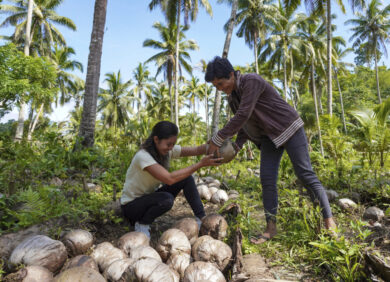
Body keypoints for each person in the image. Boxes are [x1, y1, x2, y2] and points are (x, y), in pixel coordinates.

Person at [204, 56, 337, 244]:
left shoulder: (251, 81)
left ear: (231, 74)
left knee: (305, 174)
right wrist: (237, 145)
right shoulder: (232, 99)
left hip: (288, 128)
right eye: (216, 86)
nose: (220, 88)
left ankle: (329, 222)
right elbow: (245, 126)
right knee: (267, 179)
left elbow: (244, 114)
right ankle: (270, 228)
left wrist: (218, 139)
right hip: (269, 137)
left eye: (221, 83)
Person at [120, 121, 222, 238]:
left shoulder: (165, 151)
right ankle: (142, 224)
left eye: (173, 144)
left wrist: (214, 146)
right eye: (168, 144)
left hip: (148, 199)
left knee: (187, 179)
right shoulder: (143, 156)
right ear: (156, 139)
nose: (171, 148)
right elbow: (169, 179)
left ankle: (202, 219)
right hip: (132, 207)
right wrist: (200, 164)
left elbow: (197, 150)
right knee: (166, 199)